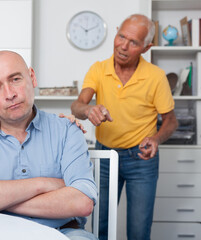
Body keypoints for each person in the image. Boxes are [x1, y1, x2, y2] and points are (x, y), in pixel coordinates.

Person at [0, 50, 98, 240]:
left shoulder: (67, 129)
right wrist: (44, 184)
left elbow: (82, 202)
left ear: (32, 78)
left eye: (15, 79)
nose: (10, 94)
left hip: (64, 233)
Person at [71, 14, 178, 240]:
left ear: (146, 47)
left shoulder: (156, 77)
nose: (123, 46)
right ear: (117, 31)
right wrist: (88, 110)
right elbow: (77, 105)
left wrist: (156, 139)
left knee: (139, 231)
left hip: (142, 159)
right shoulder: (99, 69)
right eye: (121, 36)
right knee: (100, 226)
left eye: (133, 42)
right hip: (105, 156)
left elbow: (171, 120)